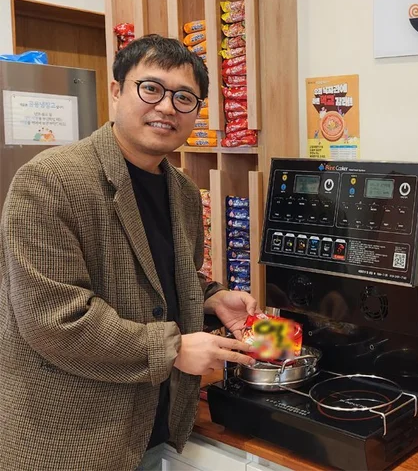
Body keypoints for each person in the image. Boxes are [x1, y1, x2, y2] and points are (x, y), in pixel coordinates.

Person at [0, 34, 258, 471]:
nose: (166, 107)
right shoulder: (49, 180)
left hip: (151, 427)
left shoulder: (182, 192)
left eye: (184, 97)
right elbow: (55, 321)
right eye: (151, 88)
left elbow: (163, 274)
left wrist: (212, 297)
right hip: (69, 438)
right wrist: (173, 349)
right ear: (117, 91)